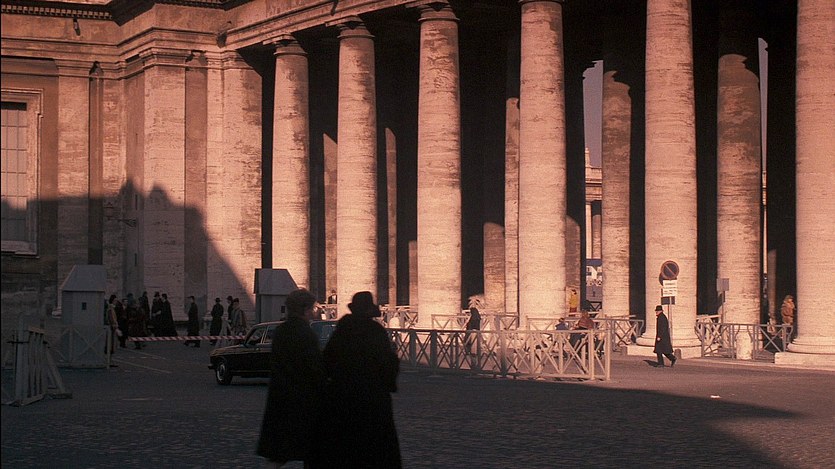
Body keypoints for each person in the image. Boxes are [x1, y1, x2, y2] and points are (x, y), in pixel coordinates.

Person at [319, 291, 401, 468]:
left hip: (343, 400)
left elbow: (327, 362)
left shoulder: (342, 331)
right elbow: (387, 365)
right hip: (372, 401)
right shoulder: (376, 332)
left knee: (345, 451)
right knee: (375, 451)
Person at [257, 288, 326, 467]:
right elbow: (314, 368)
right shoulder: (306, 334)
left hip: (280, 396)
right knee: (312, 450)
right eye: (312, 308)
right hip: (302, 400)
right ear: (305, 310)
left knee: (278, 455)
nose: (314, 312)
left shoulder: (281, 331)